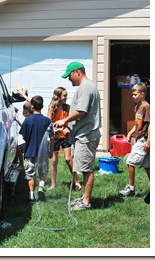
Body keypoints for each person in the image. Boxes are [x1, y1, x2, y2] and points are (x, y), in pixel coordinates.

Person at [54, 61, 102, 211]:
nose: (69, 79)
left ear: (77, 72)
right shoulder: (86, 87)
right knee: (83, 166)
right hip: (83, 134)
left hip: (87, 135)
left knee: (87, 169)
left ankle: (86, 202)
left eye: (70, 76)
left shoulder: (86, 87)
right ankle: (83, 197)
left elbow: (82, 111)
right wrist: (70, 128)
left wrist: (64, 120)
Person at [19, 95, 53, 202]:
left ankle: (31, 195)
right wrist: (51, 151)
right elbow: (52, 137)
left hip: (30, 152)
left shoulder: (27, 120)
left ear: (32, 107)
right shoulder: (47, 121)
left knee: (30, 174)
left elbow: (23, 136)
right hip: (43, 153)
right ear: (42, 106)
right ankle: (41, 186)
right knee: (42, 172)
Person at [118, 82, 150, 198]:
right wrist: (131, 132)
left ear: (142, 94)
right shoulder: (137, 106)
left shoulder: (146, 107)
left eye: (135, 94)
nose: (133, 96)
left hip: (144, 139)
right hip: (139, 138)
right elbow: (137, 124)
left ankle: (130, 188)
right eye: (132, 94)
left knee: (130, 161)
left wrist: (148, 141)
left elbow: (151, 125)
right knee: (147, 165)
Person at [47, 87, 81, 191]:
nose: (66, 97)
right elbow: (49, 122)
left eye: (66, 95)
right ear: (58, 96)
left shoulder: (68, 108)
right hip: (55, 137)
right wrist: (53, 129)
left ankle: (76, 181)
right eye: (64, 95)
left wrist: (67, 128)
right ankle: (53, 185)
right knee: (53, 161)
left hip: (65, 136)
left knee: (68, 159)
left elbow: (72, 121)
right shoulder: (52, 108)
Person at [15, 101, 33, 170]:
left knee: (19, 148)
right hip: (33, 143)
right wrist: (18, 121)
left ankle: (22, 165)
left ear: (26, 112)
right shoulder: (33, 117)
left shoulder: (28, 119)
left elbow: (24, 129)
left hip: (29, 143)